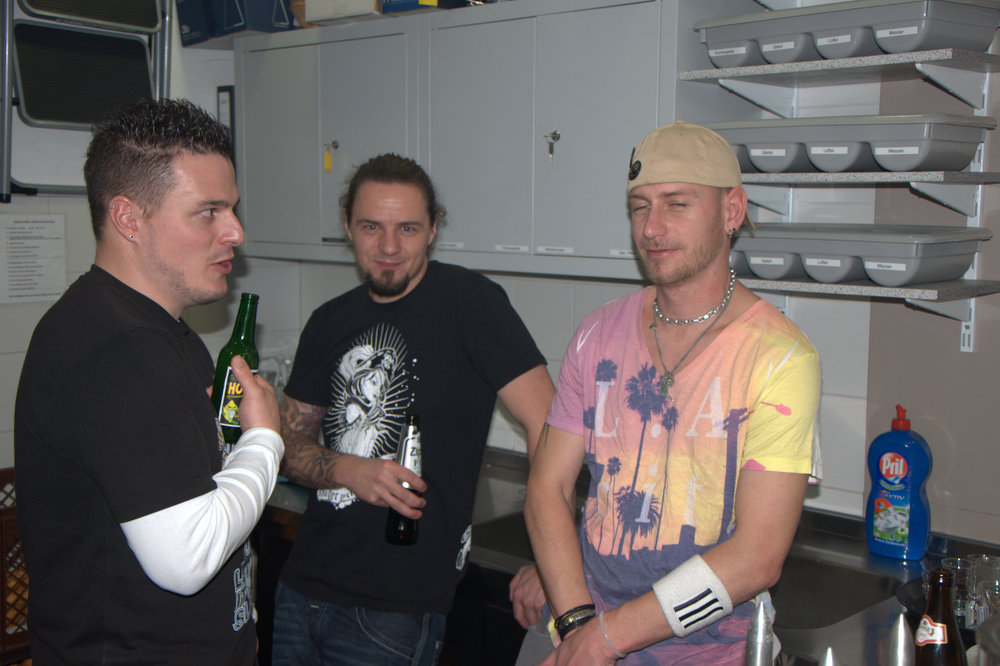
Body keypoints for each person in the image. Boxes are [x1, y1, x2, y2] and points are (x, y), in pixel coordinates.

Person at [520, 121, 821, 664]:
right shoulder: (596, 334)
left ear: (732, 211)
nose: (652, 228)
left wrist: (606, 638)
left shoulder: (779, 356)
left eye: (677, 204)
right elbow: (548, 487)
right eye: (640, 207)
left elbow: (757, 556)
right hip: (580, 632)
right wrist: (579, 625)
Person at [14, 98, 284, 664]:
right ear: (128, 219)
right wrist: (265, 439)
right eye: (208, 212)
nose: (235, 231)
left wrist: (241, 626)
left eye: (232, 209)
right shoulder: (117, 350)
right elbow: (186, 560)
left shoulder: (163, 333)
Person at [271, 153, 555, 665]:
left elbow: (552, 426)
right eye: (371, 227)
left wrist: (551, 560)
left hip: (395, 612)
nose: (388, 247)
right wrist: (349, 469)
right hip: (300, 590)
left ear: (433, 229)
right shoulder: (328, 321)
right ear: (348, 228)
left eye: (407, 228)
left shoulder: (471, 305)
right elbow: (288, 447)